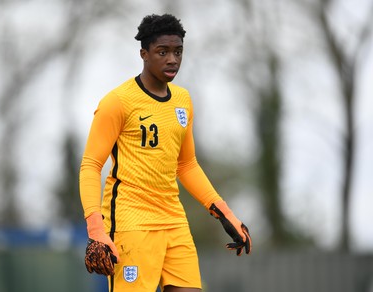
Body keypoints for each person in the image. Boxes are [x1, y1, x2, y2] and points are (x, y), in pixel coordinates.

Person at [79, 13, 252, 292]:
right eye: (163, 52)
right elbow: (90, 166)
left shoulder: (183, 101)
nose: (172, 59)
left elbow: (187, 165)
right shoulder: (117, 102)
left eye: (178, 51)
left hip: (174, 221)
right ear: (144, 54)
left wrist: (225, 213)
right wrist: (96, 230)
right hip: (131, 223)